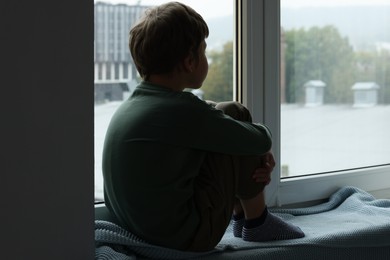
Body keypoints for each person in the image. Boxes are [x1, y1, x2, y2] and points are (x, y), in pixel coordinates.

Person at [102, 1, 304, 252]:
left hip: (140, 230)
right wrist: (259, 149)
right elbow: (261, 139)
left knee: (224, 116)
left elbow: (200, 117)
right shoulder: (183, 112)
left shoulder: (134, 106)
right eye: (204, 51)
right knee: (235, 113)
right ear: (189, 61)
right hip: (186, 238)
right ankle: (257, 222)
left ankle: (242, 219)